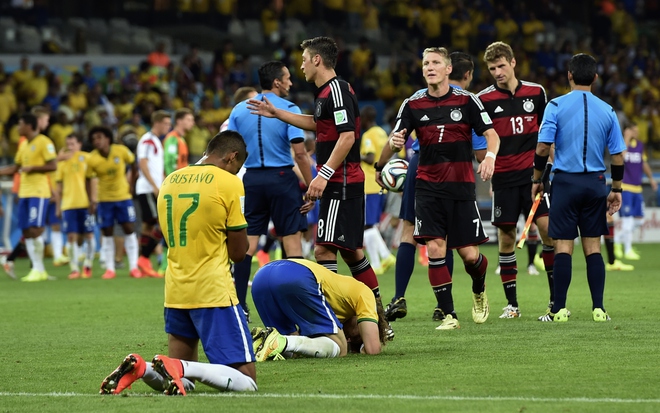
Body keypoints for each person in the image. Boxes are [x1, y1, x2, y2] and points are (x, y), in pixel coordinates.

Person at [100, 131, 257, 395]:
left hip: (176, 290)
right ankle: (183, 367)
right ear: (233, 157)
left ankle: (144, 368)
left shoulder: (170, 181)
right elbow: (239, 254)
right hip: (213, 291)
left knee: (182, 384)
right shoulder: (229, 183)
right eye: (237, 166)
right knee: (247, 382)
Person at [246, 37, 383, 318]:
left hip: (342, 181)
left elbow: (347, 137)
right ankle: (378, 316)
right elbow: (316, 123)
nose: (302, 66)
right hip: (342, 181)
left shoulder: (337, 91)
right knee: (351, 252)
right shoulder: (326, 94)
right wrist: (277, 113)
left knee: (323, 252)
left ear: (317, 60)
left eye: (305, 59)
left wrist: (323, 176)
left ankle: (334, 318)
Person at [375, 47, 499, 330]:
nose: (429, 67)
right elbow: (397, 137)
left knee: (469, 256)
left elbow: (491, 135)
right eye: (425, 63)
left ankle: (479, 287)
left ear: (448, 69)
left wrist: (490, 158)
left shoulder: (468, 101)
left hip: (461, 187)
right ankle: (449, 315)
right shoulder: (412, 104)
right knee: (434, 248)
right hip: (427, 187)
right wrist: (382, 163)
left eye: (435, 63)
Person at [533, 53, 626, 322]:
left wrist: (537, 180)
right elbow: (618, 155)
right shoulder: (607, 110)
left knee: (563, 245)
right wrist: (616, 189)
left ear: (569, 76)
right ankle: (599, 309)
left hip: (565, 182)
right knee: (593, 246)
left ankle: (558, 310)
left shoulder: (555, 106)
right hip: (595, 183)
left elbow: (542, 147)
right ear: (596, 78)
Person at [229, 61, 314, 319]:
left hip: (252, 180)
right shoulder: (288, 109)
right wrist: (311, 185)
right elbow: (299, 153)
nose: (290, 82)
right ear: (277, 82)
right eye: (287, 78)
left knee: (248, 244)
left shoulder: (239, 110)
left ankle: (239, 305)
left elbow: (231, 151)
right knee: (292, 243)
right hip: (282, 179)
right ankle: (298, 308)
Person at [476, 41, 555, 319]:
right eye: (492, 68)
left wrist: (549, 166)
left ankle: (555, 303)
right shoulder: (483, 100)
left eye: (501, 65)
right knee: (506, 238)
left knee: (548, 232)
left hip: (534, 176)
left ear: (513, 62)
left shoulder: (536, 92)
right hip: (504, 179)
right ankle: (512, 306)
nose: (497, 72)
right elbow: (481, 139)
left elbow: (548, 131)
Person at [250, 259, 387, 360]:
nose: (349, 338)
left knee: (290, 350)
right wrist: (365, 345)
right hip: (296, 275)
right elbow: (373, 348)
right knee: (340, 347)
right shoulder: (365, 294)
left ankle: (256, 343)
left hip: (261, 277)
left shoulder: (332, 308)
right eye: (358, 335)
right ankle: (279, 342)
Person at [0, 113, 57, 282]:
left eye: (20, 124)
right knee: (26, 231)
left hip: (38, 192)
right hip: (24, 192)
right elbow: (15, 168)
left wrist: (33, 168)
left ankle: (39, 270)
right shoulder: (23, 145)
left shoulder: (44, 142)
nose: (18, 128)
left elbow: (53, 165)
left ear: (30, 126)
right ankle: (37, 270)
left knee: (35, 229)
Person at [86, 126, 142, 279]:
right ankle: (110, 269)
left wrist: (132, 184)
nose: (96, 141)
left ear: (108, 138)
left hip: (123, 197)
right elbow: (88, 178)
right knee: (107, 232)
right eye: (93, 139)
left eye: (99, 137)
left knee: (129, 228)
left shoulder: (121, 151)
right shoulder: (92, 158)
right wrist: (91, 199)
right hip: (104, 201)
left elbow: (134, 163)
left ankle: (134, 267)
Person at [54, 133, 97, 279]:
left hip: (84, 203)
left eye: (73, 144)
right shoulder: (61, 162)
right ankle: (74, 268)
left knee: (89, 235)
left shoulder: (87, 158)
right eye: (68, 144)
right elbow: (58, 187)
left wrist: (93, 200)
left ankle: (88, 265)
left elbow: (92, 180)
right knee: (71, 236)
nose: (70, 147)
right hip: (68, 204)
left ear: (79, 144)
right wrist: (58, 207)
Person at [359, 105, 396, 275]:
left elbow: (370, 157)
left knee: (367, 225)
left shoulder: (368, 135)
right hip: (381, 184)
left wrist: (353, 155)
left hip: (369, 184)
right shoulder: (381, 132)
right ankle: (382, 259)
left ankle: (380, 259)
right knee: (369, 224)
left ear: (365, 119)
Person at [135, 110, 171, 278]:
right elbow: (143, 163)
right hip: (147, 188)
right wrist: (155, 186)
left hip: (153, 187)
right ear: (157, 123)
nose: (168, 127)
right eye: (166, 123)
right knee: (161, 223)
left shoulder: (156, 140)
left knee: (148, 226)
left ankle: (143, 262)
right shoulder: (148, 140)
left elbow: (157, 168)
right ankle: (143, 258)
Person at [158, 108, 194, 275]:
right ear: (179, 121)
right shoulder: (172, 139)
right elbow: (170, 164)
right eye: (188, 119)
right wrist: (174, 186)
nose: (191, 123)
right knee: (173, 226)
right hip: (176, 188)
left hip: (181, 188)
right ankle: (165, 264)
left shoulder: (180, 139)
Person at [615, 121, 657, 261]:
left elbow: (643, 163)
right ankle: (627, 249)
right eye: (634, 130)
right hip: (626, 187)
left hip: (637, 188)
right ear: (628, 131)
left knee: (639, 220)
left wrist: (651, 178)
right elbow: (622, 157)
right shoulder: (621, 144)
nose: (637, 133)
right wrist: (626, 138)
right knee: (627, 221)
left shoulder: (640, 146)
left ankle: (616, 241)